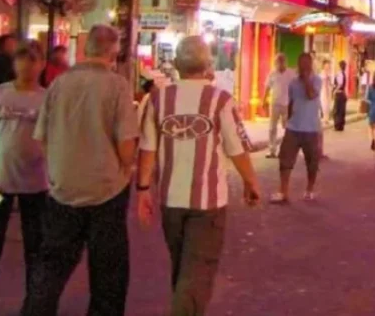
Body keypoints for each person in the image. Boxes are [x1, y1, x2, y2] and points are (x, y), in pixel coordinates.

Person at [136, 36, 260, 315]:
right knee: (196, 274)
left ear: (177, 65)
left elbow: (147, 148)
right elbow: (236, 148)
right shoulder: (221, 100)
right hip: (208, 205)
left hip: (171, 200)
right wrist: (251, 182)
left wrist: (143, 190)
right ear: (208, 65)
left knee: (183, 270)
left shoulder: (158, 98)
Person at [24, 25, 139, 316]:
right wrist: (131, 168)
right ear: (113, 51)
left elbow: (42, 138)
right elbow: (126, 144)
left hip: (63, 187)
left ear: (85, 50)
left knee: (52, 262)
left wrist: (56, 171)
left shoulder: (59, 85)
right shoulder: (117, 86)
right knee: (108, 269)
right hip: (107, 189)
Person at [0, 41, 47, 313]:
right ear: (15, 64)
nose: (28, 66)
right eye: (23, 60)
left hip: (37, 183)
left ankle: (34, 302)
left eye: (33, 60)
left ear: (41, 64)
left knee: (36, 245)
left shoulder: (48, 98)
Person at [271, 53, 323, 203]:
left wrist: (306, 79)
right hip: (293, 127)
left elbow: (311, 95)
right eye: (301, 64)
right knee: (285, 160)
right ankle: (283, 191)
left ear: (311, 65)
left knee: (312, 162)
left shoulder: (317, 80)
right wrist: (287, 119)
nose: (303, 67)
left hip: (311, 129)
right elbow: (292, 101)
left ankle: (309, 190)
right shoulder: (293, 83)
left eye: (307, 64)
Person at [262, 54, 295, 159]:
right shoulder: (272, 73)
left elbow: (295, 88)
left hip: (287, 104)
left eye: (281, 61)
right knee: (272, 128)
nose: (279, 64)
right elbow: (267, 87)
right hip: (275, 103)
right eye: (277, 62)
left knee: (287, 127)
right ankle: (272, 150)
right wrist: (264, 101)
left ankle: (286, 149)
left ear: (285, 62)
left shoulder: (290, 73)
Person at [331, 59, 348, 131]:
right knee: (341, 110)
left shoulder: (340, 73)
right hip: (343, 93)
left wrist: (334, 91)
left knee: (337, 110)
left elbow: (339, 84)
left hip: (339, 93)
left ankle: (337, 125)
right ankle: (341, 125)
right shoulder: (344, 73)